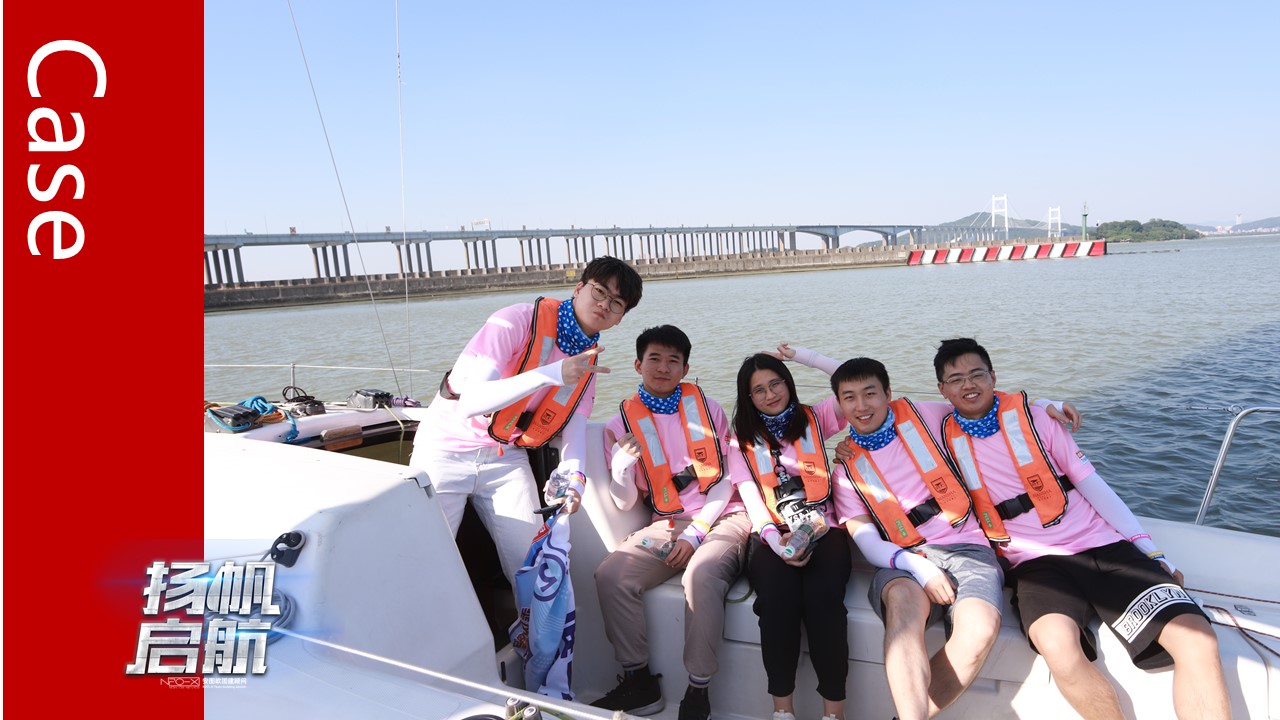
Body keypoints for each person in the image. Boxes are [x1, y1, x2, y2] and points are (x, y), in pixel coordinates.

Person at [932, 337, 1230, 720]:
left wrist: (1151, 551)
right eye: (956, 379)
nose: (968, 385)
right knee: (1058, 648)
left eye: (977, 374)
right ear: (942, 389)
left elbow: (1095, 487)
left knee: (1197, 639)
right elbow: (872, 408)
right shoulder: (935, 429)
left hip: (1102, 547)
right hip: (1035, 566)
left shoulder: (1038, 419)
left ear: (994, 377)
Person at [784, 346, 1077, 720]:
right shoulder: (844, 471)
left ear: (888, 394)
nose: (862, 406)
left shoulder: (926, 416)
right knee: (903, 613)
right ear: (840, 407)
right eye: (849, 398)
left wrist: (1045, 404)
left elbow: (982, 403)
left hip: (969, 548)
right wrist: (920, 568)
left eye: (871, 393)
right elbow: (866, 541)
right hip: (904, 560)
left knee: (980, 629)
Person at [409, 256, 643, 584]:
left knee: (534, 563)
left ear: (619, 319)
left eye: (617, 303)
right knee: (429, 559)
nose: (605, 304)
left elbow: (575, 427)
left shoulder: (587, 362)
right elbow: (471, 402)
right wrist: (551, 374)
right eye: (599, 291)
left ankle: (530, 619)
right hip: (445, 448)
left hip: (505, 457)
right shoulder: (515, 321)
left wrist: (574, 479)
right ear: (578, 288)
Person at [590, 325, 752, 720]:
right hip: (668, 523)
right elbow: (625, 501)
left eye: (673, 361)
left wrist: (696, 534)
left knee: (700, 575)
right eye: (655, 359)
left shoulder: (709, 410)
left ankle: (698, 690)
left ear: (685, 368)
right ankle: (638, 681)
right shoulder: (619, 425)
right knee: (611, 575)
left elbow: (727, 478)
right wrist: (621, 469)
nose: (663, 368)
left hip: (723, 516)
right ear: (638, 364)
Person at [727, 353, 851, 720]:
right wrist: (776, 543)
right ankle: (783, 711)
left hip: (825, 528)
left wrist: (803, 356)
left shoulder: (816, 418)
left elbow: (846, 378)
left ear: (788, 383)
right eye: (758, 390)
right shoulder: (740, 442)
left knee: (824, 600)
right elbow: (752, 500)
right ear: (748, 398)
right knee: (777, 602)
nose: (770, 395)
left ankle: (834, 713)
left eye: (776, 383)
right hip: (773, 534)